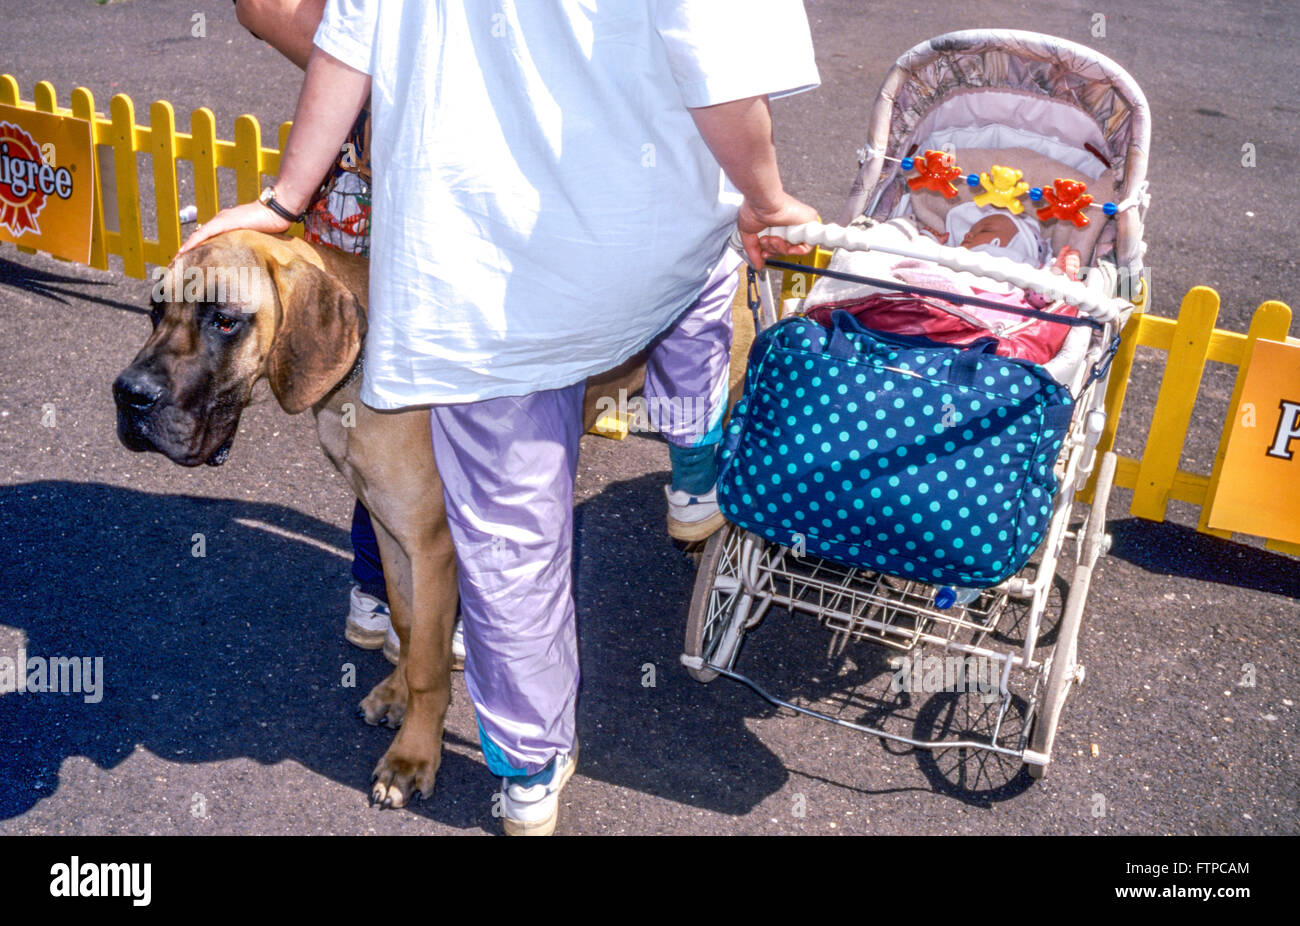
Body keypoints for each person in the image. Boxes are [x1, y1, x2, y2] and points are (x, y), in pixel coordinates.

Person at [185, 0, 820, 836]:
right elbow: (722, 70)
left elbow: (347, 42)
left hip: (468, 271)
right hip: (624, 246)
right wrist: (766, 199)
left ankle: (526, 773)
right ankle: (695, 464)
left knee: (506, 535)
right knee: (706, 267)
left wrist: (285, 196)